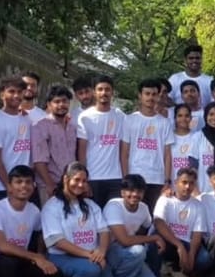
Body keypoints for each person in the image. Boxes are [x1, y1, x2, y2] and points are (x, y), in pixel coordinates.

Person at [41, 162, 119, 277]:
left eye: (84, 181)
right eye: (76, 180)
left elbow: (104, 231)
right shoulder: (52, 206)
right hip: (64, 257)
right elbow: (57, 241)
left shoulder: (90, 205)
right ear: (65, 179)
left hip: (92, 257)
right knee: (91, 269)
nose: (81, 184)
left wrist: (101, 252)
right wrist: (89, 255)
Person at [103, 174, 165, 277]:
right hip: (110, 251)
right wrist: (154, 238)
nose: (135, 194)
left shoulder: (143, 208)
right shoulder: (114, 205)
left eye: (139, 191)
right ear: (122, 192)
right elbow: (124, 240)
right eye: (130, 190)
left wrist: (155, 236)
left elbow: (148, 226)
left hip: (129, 253)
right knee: (138, 251)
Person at [121, 78, 174, 210]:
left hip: (157, 179)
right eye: (147, 94)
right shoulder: (129, 120)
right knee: (134, 216)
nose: (151, 97)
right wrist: (125, 178)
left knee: (153, 219)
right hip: (135, 178)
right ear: (140, 95)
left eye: (154, 94)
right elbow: (124, 153)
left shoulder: (164, 122)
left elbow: (168, 154)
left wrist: (167, 181)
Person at [153, 167, 211, 277]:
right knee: (156, 238)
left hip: (187, 242)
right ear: (176, 183)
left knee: (204, 261)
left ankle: (181, 266)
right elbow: (158, 223)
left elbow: (197, 233)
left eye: (191, 183)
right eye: (184, 182)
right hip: (170, 240)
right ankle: (171, 265)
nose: (187, 187)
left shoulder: (198, 205)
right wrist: (179, 246)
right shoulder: (165, 200)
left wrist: (191, 255)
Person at [76, 75, 125, 207]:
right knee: (94, 218)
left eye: (107, 89)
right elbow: (82, 151)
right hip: (93, 178)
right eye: (100, 89)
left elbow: (123, 149)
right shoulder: (85, 117)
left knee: (114, 219)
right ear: (94, 92)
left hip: (115, 177)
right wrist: (84, 180)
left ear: (112, 92)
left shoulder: (120, 116)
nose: (104, 93)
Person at [0, 77, 32, 202]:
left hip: (25, 186)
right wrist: (8, 185)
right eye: (11, 91)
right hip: (2, 187)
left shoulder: (27, 119)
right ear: (2, 94)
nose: (16, 95)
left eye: (20, 92)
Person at [32, 84, 78, 203]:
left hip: (71, 184)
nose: (61, 105)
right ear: (49, 104)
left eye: (64, 101)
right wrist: (50, 184)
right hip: (50, 185)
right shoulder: (41, 127)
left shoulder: (72, 127)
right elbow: (39, 160)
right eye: (57, 101)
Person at [169, 104, 203, 187]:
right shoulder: (169, 137)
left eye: (187, 116)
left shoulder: (197, 137)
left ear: (191, 118)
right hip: (172, 184)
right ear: (175, 118)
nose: (183, 119)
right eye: (180, 116)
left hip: (191, 186)